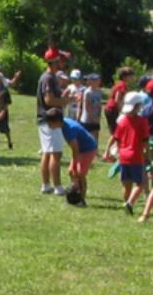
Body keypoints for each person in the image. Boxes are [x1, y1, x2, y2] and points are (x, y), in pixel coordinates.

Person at [103, 92, 149, 215]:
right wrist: (147, 155)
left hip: (123, 156)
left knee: (127, 184)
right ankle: (130, 203)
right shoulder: (142, 122)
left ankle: (125, 204)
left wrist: (107, 151)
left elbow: (114, 138)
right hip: (136, 156)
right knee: (140, 184)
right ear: (138, 106)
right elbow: (145, 142)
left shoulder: (122, 121)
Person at [45, 109, 97, 208]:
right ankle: (74, 196)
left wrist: (75, 164)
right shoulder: (63, 124)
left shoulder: (69, 129)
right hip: (81, 150)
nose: (48, 125)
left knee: (80, 173)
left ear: (56, 121)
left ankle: (82, 199)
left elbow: (75, 148)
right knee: (71, 172)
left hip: (88, 149)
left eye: (50, 123)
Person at [37, 48, 71, 196]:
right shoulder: (48, 78)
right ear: (55, 61)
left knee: (47, 152)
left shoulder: (50, 78)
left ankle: (46, 185)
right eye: (61, 60)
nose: (63, 63)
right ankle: (57, 186)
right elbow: (49, 100)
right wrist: (65, 101)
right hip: (51, 120)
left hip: (46, 120)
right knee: (55, 154)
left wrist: (64, 96)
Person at [104, 67, 134, 135]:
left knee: (115, 130)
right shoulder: (122, 85)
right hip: (112, 109)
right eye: (130, 75)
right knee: (116, 131)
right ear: (124, 77)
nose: (132, 77)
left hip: (111, 109)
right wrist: (122, 111)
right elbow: (117, 99)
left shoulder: (121, 84)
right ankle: (113, 145)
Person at [80, 73, 103, 143]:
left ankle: (95, 150)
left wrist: (98, 117)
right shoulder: (87, 92)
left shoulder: (99, 92)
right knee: (87, 136)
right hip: (87, 119)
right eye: (95, 80)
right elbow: (87, 107)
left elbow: (99, 105)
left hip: (96, 118)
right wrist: (92, 118)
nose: (98, 81)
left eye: (98, 79)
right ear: (90, 81)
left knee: (96, 136)